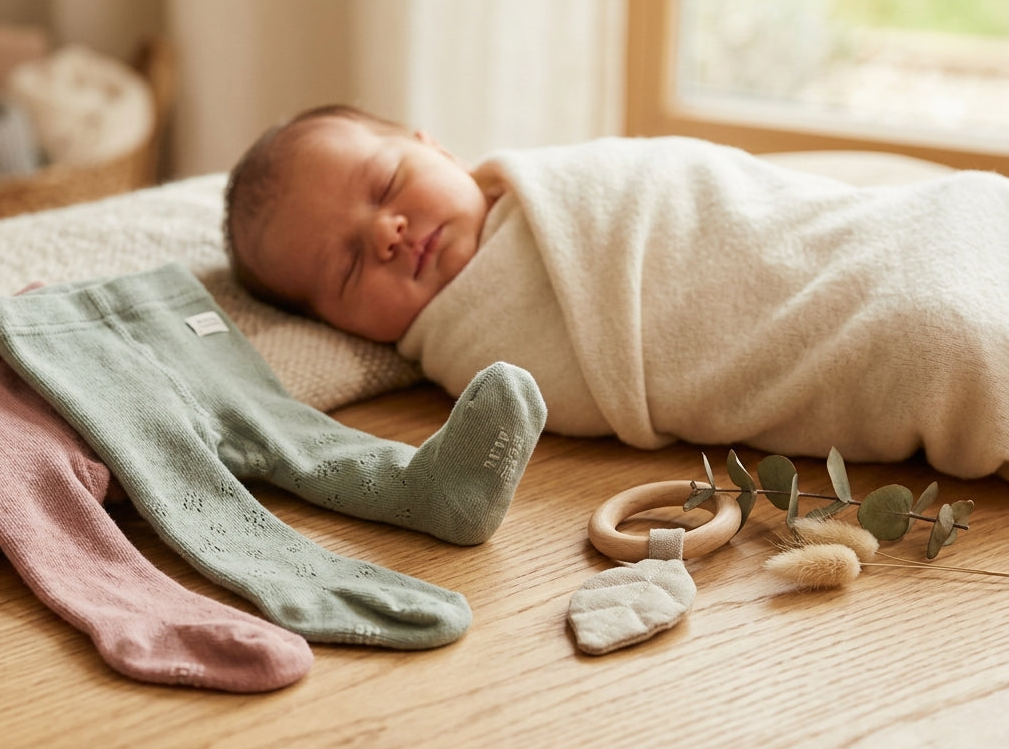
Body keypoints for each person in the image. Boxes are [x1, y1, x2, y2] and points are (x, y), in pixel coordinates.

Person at [223, 104, 1009, 480]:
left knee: (947, 224)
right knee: (937, 334)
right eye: (350, 268)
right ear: (339, 326)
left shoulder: (553, 185)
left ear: (435, 147)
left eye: (389, 183)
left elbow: (689, 191)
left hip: (867, 229)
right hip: (877, 319)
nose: (389, 232)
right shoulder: (469, 350)